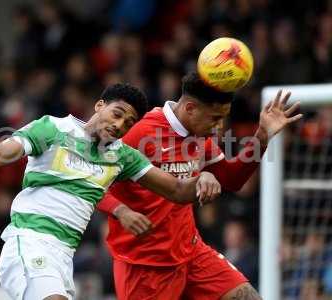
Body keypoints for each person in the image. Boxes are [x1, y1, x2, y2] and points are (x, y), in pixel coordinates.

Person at [0, 83, 221, 300]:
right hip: (30, 240)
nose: (120, 124)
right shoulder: (53, 128)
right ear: (99, 105)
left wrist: (205, 176)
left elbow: (175, 190)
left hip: (64, 255)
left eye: (129, 122)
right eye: (117, 113)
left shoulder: (122, 156)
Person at [97, 73, 303, 300]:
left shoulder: (199, 134)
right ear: (190, 108)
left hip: (192, 253)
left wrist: (262, 137)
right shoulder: (139, 132)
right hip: (145, 264)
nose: (219, 126)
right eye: (215, 118)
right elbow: (92, 182)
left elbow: (231, 179)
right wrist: (121, 211)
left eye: (223, 118)